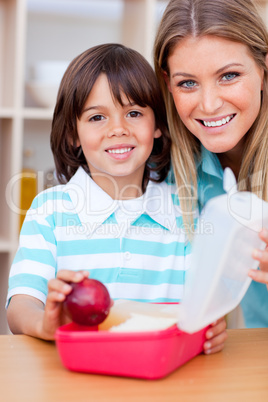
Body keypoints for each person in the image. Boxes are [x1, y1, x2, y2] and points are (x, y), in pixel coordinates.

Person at [6, 43, 227, 351]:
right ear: (73, 133)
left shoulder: (186, 211)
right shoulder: (49, 212)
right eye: (97, 117)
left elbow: (204, 306)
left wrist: (213, 326)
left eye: (134, 113)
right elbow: (20, 309)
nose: (118, 129)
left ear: (158, 126)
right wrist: (45, 324)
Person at [154, 0, 268, 327]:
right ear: (167, 83)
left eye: (229, 75)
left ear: (263, 70)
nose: (209, 104)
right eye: (187, 83)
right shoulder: (171, 169)